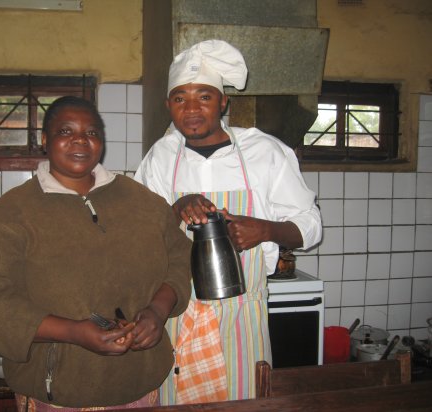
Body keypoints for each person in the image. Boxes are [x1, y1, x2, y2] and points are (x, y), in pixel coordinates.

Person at [0, 96, 192, 410]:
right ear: (45, 139)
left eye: (92, 133)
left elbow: (180, 258)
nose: (80, 140)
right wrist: (74, 332)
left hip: (140, 385)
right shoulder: (12, 213)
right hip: (58, 395)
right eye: (65, 131)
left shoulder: (140, 201)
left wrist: (157, 310)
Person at [134, 39, 322, 404]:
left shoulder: (264, 152)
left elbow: (311, 226)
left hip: (242, 317)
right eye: (179, 98)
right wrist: (175, 209)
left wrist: (266, 230)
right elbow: (140, 232)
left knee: (245, 402)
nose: (191, 109)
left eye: (203, 97)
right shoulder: (161, 156)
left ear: (223, 101)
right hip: (177, 313)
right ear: (168, 105)